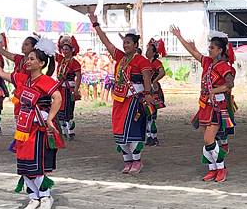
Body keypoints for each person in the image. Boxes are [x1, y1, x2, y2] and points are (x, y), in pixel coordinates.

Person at [0, 33, 64, 209]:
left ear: (41, 63)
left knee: (36, 163)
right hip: (22, 128)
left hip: (38, 129)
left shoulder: (45, 80)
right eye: (27, 58)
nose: (27, 61)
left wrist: (50, 118)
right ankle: (33, 197)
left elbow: (57, 98)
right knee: (23, 164)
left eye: (31, 59)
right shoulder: (21, 78)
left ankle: (45, 196)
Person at [89, 12, 153, 173]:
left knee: (132, 132)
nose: (125, 45)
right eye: (124, 43)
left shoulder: (141, 61)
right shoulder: (121, 58)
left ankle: (137, 161)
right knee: (119, 132)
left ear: (136, 45)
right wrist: (96, 25)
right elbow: (107, 43)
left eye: (128, 43)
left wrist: (147, 95)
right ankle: (127, 160)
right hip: (119, 100)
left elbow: (146, 78)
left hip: (134, 100)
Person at [170, 26, 236, 183]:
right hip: (204, 105)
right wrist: (179, 37)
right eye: (209, 47)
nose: (209, 50)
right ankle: (212, 169)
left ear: (220, 50)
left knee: (209, 139)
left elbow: (230, 84)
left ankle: (221, 168)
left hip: (216, 106)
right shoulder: (207, 62)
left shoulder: (224, 66)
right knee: (207, 140)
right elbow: (193, 53)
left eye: (212, 48)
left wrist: (215, 90)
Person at [56, 35, 82, 140]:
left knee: (68, 111)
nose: (64, 51)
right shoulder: (61, 60)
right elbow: (51, 53)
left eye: (67, 49)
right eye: (63, 49)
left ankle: (71, 132)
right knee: (59, 112)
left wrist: (76, 90)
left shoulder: (74, 62)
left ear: (72, 50)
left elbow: (79, 77)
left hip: (68, 90)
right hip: (60, 89)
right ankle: (63, 131)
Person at [144, 38, 167, 146]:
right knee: (147, 114)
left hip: (153, 90)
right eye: (146, 50)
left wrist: (154, 80)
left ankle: (152, 137)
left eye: (149, 50)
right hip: (146, 89)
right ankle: (149, 136)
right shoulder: (144, 62)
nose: (146, 52)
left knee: (151, 114)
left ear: (153, 52)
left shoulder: (156, 62)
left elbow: (162, 72)